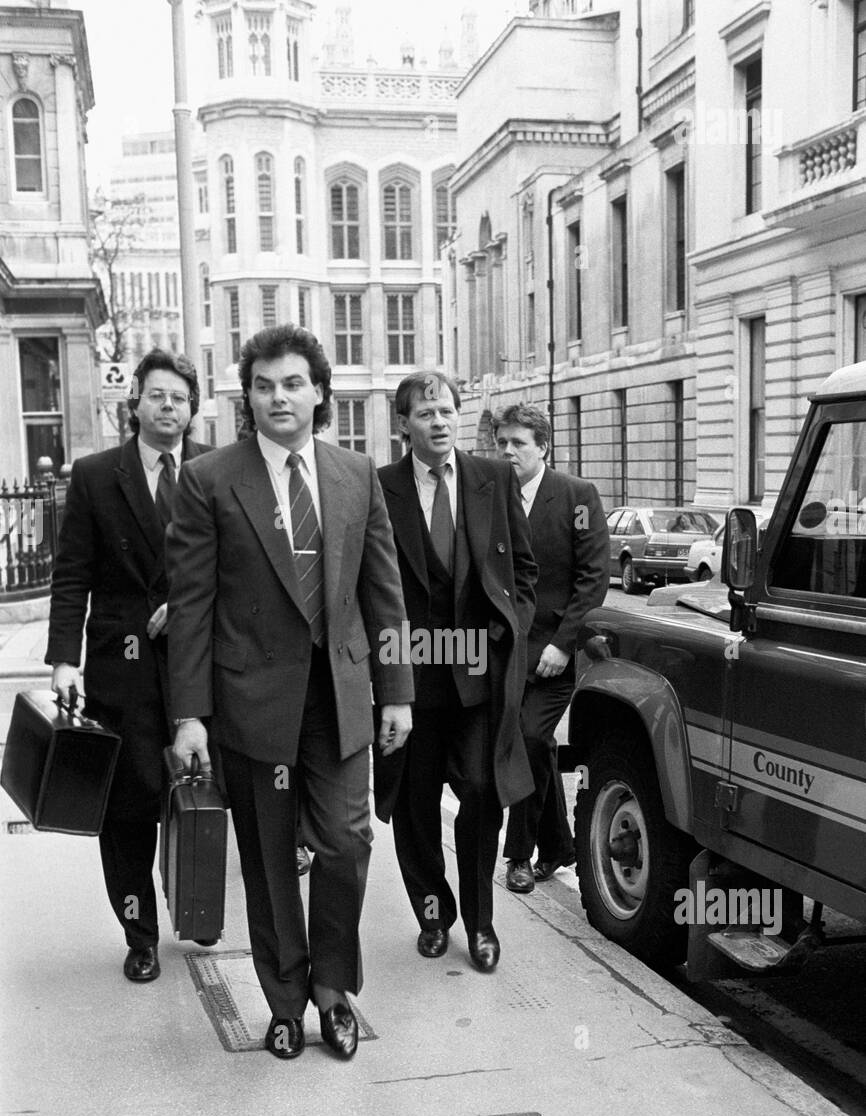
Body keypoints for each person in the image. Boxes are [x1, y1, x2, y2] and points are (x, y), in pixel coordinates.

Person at [166, 324, 413, 1062]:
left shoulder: (356, 474)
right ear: (249, 397)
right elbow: (191, 607)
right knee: (271, 863)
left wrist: (396, 691)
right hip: (251, 708)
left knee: (345, 842)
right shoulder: (209, 479)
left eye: (294, 383)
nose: (280, 397)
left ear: (319, 394)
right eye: (266, 385)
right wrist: (189, 716)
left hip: (339, 702)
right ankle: (284, 1002)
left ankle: (334, 991)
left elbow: (386, 595)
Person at [46, 349, 211, 984]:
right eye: (158, 396)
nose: (169, 407)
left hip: (199, 662)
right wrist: (64, 659)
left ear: (193, 409)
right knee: (129, 809)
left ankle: (199, 908)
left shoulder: (216, 471)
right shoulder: (95, 476)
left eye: (180, 398)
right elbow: (72, 575)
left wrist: (191, 602)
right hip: (125, 664)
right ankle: (139, 931)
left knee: (202, 792)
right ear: (135, 403)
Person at [376, 371, 537, 972]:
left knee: (479, 790)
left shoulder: (492, 479)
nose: (439, 422)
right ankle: (432, 912)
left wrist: (511, 630)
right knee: (414, 805)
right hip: (408, 673)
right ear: (404, 425)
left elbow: (524, 569)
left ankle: (481, 922)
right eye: (425, 414)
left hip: (475, 666)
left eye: (447, 411)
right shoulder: (381, 486)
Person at [495, 404, 609, 892]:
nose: (508, 451)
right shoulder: (490, 496)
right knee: (535, 748)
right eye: (502, 443)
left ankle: (518, 855)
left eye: (518, 443)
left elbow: (594, 577)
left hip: (553, 654)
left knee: (528, 739)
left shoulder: (576, 496)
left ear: (543, 447)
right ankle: (559, 844)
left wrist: (564, 644)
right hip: (502, 652)